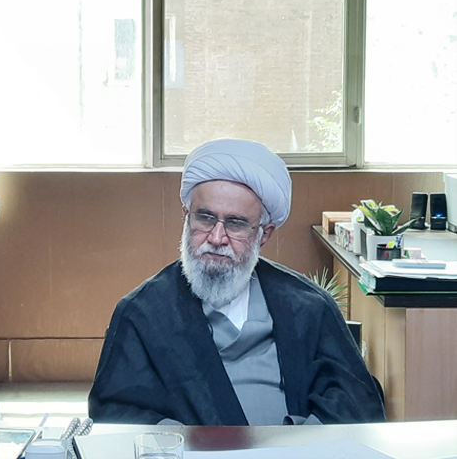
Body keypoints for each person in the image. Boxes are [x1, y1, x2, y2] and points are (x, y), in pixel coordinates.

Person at [88, 138, 385, 426]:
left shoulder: (308, 306)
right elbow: (115, 414)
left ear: (264, 234)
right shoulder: (142, 313)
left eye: (236, 223)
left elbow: (356, 401)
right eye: (205, 218)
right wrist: (185, 442)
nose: (217, 238)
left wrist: (296, 443)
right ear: (186, 217)